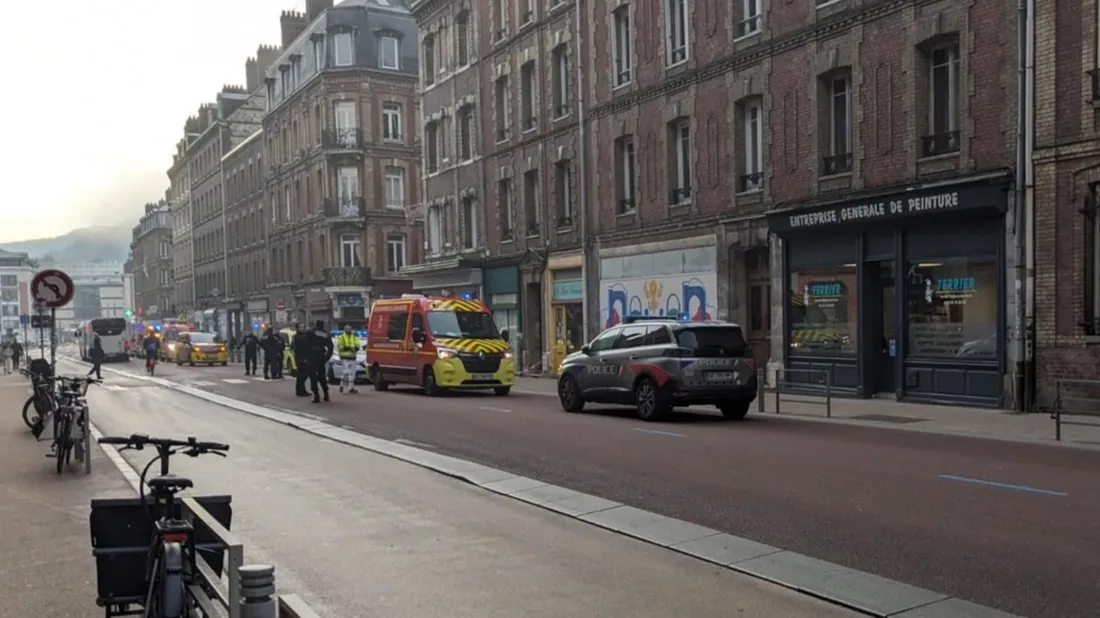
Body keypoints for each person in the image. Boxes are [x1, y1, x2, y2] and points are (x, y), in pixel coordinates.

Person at [308, 320, 334, 403]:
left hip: (312, 356)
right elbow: (330, 347)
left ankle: (316, 396)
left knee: (313, 376)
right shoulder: (326, 334)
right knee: (322, 376)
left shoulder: (311, 332)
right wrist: (327, 357)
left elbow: (305, 343)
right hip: (321, 356)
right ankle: (326, 394)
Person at [335, 324, 362, 394]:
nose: (349, 330)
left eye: (350, 329)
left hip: (353, 357)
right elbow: (340, 347)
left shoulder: (354, 337)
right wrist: (350, 348)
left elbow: (358, 345)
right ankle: (344, 385)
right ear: (345, 330)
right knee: (347, 372)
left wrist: (355, 349)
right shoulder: (341, 337)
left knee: (353, 372)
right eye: (347, 329)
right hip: (345, 357)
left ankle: (350, 387)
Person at [291, 324, 312, 396]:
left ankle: (300, 390)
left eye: (303, 327)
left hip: (304, 357)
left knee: (302, 375)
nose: (302, 328)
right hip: (300, 358)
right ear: (297, 329)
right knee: (303, 374)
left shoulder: (303, 336)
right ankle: (300, 390)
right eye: (301, 327)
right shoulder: (296, 337)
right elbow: (295, 346)